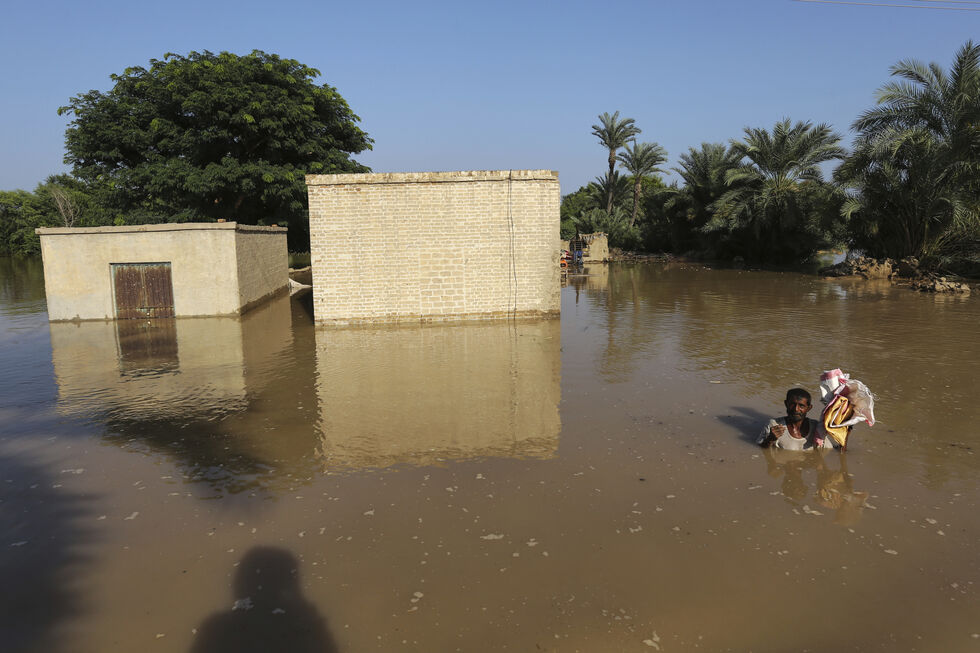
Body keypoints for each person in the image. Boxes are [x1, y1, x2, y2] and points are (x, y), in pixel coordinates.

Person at [757, 388, 837, 450]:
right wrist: (770, 439)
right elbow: (759, 448)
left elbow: (830, 450)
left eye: (801, 406)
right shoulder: (774, 425)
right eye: (792, 404)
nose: (796, 409)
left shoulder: (817, 428)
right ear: (786, 404)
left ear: (809, 408)